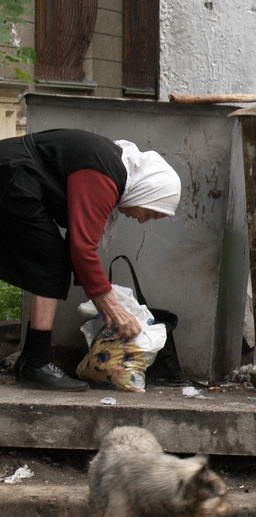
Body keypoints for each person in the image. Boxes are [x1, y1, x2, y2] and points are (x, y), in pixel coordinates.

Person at [0, 129, 182, 391]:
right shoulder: (106, 174)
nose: (142, 220)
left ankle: (34, 362)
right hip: (12, 175)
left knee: (52, 260)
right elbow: (82, 249)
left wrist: (106, 302)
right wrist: (115, 310)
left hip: (14, 175)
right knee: (51, 259)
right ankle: (35, 364)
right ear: (147, 191)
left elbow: (79, 246)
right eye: (151, 214)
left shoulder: (111, 170)